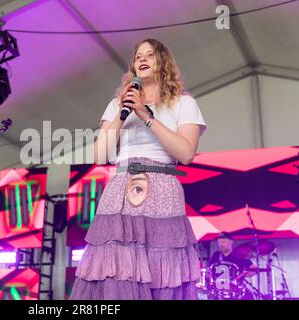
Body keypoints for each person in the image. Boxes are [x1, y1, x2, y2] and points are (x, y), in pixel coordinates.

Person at [69, 38, 207, 300]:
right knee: (117, 269)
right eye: (138, 56)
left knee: (162, 268)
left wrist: (146, 116)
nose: (142, 59)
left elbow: (186, 153)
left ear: (163, 62)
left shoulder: (183, 103)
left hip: (163, 186)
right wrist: (122, 112)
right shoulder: (118, 104)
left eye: (150, 55)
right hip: (121, 187)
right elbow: (100, 155)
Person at [208, 232, 256, 300]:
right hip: (219, 289)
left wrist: (242, 275)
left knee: (249, 296)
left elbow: (253, 269)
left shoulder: (239, 254)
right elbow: (209, 271)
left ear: (231, 242)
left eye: (223, 242)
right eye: (219, 242)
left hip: (236, 289)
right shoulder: (216, 255)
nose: (220, 244)